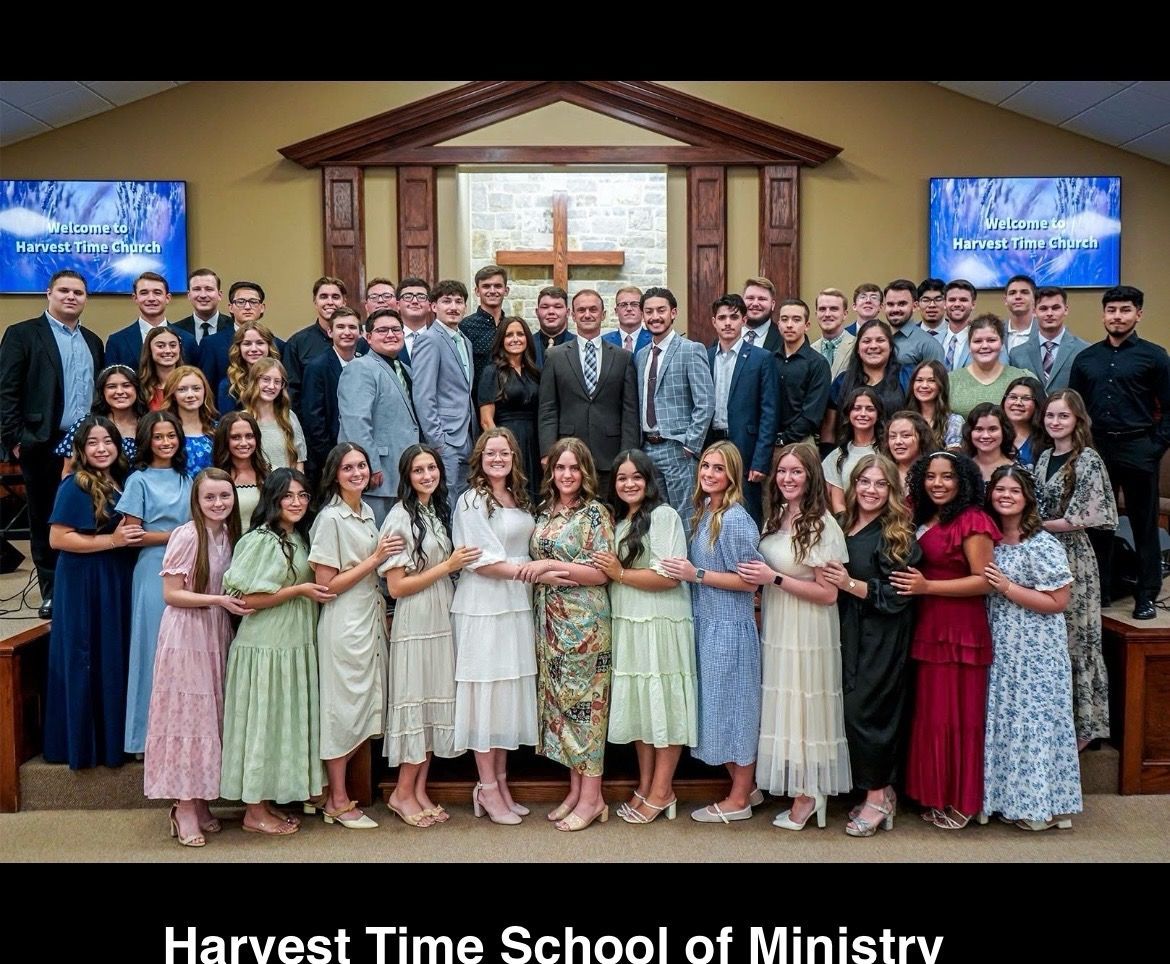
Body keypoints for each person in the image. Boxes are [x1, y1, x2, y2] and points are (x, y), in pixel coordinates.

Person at [738, 443, 851, 831]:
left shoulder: (822, 525)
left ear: (811, 477)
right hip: (778, 622)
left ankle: (810, 792)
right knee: (784, 700)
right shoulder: (777, 515)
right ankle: (799, 787)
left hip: (809, 627)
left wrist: (774, 579)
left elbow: (829, 593)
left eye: (796, 472)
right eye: (783, 471)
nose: (787, 478)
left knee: (805, 703)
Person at [219, 468, 334, 835]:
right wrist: (298, 591)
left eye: (302, 495)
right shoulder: (260, 539)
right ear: (273, 499)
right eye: (288, 496)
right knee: (261, 725)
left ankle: (265, 802)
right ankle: (253, 812)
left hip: (293, 643)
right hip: (266, 646)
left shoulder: (297, 537)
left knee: (277, 725)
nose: (296, 502)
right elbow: (246, 600)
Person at [890, 452, 999, 831]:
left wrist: (928, 587)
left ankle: (963, 800)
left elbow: (985, 581)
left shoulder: (973, 520)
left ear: (963, 481)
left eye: (947, 476)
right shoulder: (921, 517)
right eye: (931, 476)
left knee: (958, 717)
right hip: (926, 625)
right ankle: (937, 792)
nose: (938, 483)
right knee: (933, 715)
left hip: (959, 631)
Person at [143, 468, 250, 847]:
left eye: (225, 496)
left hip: (215, 630)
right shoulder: (187, 535)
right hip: (187, 632)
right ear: (197, 500)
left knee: (209, 717)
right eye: (210, 497)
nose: (218, 503)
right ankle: (183, 807)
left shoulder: (230, 536)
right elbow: (172, 593)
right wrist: (218, 599)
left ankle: (201, 800)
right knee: (187, 717)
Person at [661, 441, 765, 824]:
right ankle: (747, 787)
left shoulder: (736, 520)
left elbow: (750, 581)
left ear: (732, 475)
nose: (708, 473)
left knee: (736, 711)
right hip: (707, 624)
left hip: (730, 629)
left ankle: (738, 800)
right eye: (705, 466)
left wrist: (697, 574)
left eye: (718, 468)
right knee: (717, 710)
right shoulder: (705, 510)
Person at [377, 444, 478, 828]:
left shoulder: (434, 511)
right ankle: (402, 792)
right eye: (419, 470)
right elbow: (397, 586)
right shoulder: (399, 517)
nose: (427, 475)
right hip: (416, 617)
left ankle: (418, 790)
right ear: (407, 476)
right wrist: (449, 566)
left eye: (432, 468)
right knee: (416, 702)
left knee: (434, 703)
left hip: (441, 612)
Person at [451, 429, 549, 824]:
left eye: (504, 452)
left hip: (515, 603)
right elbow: (481, 562)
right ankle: (487, 788)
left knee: (506, 694)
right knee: (486, 695)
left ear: (513, 457)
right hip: (484, 605)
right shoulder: (471, 500)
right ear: (480, 457)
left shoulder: (519, 497)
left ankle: (502, 784)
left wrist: (533, 572)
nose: (498, 458)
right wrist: (537, 573)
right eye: (490, 452)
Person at [594, 449, 697, 824]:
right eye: (622, 478)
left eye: (636, 476)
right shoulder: (620, 521)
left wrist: (620, 574)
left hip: (660, 621)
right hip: (629, 621)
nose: (629, 483)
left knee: (664, 704)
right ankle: (646, 783)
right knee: (642, 705)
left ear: (649, 480)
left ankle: (663, 790)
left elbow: (669, 577)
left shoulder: (664, 516)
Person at [824, 454, 921, 837]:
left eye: (881, 484)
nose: (871, 490)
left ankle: (878, 797)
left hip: (882, 635)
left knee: (867, 713)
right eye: (865, 482)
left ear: (892, 490)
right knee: (848, 711)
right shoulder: (842, 523)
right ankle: (880, 792)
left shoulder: (897, 533)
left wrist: (848, 584)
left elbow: (899, 594)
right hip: (846, 630)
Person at [0, 270, 105, 619]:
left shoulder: (93, 341)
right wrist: (16, 440)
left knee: (85, 514)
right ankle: (52, 591)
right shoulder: (23, 334)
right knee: (46, 516)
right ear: (49, 293)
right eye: (64, 291)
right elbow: (6, 390)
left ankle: (81, 586)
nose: (71, 297)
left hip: (87, 444)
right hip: (42, 442)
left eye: (78, 292)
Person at [981, 465, 1081, 831]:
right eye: (1000, 490)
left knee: (1033, 722)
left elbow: (1058, 601)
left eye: (1014, 491)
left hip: (1035, 648)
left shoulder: (1041, 543)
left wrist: (1008, 587)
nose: (1005, 496)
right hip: (1001, 643)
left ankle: (1041, 807)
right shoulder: (989, 540)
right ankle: (1007, 799)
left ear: (1027, 498)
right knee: (1006, 718)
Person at [307, 444, 399, 829]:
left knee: (362, 707)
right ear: (335, 473)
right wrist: (375, 559)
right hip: (343, 622)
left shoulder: (367, 513)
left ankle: (335, 794)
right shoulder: (330, 519)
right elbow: (325, 585)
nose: (357, 472)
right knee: (341, 710)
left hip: (369, 616)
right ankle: (338, 800)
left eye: (362, 465)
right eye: (348, 467)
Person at [42, 416, 142, 768]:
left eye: (108, 441)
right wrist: (112, 540)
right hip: (85, 580)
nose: (102, 449)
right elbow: (58, 538)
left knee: (112, 652)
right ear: (81, 450)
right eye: (93, 443)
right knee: (88, 651)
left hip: (115, 575)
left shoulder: (122, 481)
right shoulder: (75, 484)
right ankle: (86, 745)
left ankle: (115, 740)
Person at [526, 437, 614, 832]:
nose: (566, 474)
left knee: (588, 710)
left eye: (574, 468)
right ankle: (577, 791)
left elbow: (600, 572)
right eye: (560, 467)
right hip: (550, 624)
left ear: (585, 472)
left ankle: (593, 797)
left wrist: (546, 568)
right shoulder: (544, 511)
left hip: (585, 626)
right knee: (563, 708)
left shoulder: (595, 513)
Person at [1069, 285, 1170, 620]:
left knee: (1144, 526)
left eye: (1125, 310)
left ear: (1138, 314)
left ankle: (1146, 595)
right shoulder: (1086, 359)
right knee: (1098, 525)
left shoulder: (1154, 356)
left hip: (1139, 447)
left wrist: (1155, 447)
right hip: (1097, 449)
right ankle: (1102, 590)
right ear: (1103, 315)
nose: (1117, 316)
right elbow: (1075, 410)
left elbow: (1169, 408)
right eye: (1112, 310)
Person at [1035, 389, 1117, 748]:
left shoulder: (1087, 459)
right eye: (1050, 415)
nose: (1055, 422)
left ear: (1077, 420)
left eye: (1063, 416)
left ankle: (1083, 730)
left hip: (1072, 557)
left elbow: (1083, 516)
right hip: (1043, 555)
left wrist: (1035, 525)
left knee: (1076, 637)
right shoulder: (1043, 457)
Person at [118, 411, 193, 756]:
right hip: (153, 568)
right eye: (158, 437)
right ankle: (144, 739)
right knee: (153, 649)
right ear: (147, 441)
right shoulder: (138, 480)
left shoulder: (186, 478)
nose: (165, 442)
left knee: (183, 651)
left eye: (171, 436)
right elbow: (132, 534)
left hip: (187, 567)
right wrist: (178, 535)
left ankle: (180, 733)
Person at [538, 289, 640, 494]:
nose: (587, 314)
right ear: (573, 315)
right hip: (568, 456)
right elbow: (548, 409)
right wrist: (548, 452)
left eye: (593, 309)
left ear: (603, 314)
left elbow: (630, 411)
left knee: (609, 511)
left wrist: (628, 455)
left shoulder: (622, 357)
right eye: (581, 310)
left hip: (610, 456)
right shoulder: (555, 356)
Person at [635, 286, 714, 536]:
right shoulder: (641, 355)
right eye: (649, 311)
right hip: (647, 449)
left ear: (673, 313)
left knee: (686, 518)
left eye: (661, 310)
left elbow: (705, 402)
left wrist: (691, 445)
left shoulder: (691, 350)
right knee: (657, 519)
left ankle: (689, 564)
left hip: (678, 449)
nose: (655, 317)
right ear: (642, 315)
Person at [337, 309, 420, 526]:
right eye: (382, 330)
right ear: (368, 337)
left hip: (403, 473)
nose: (390, 334)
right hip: (379, 476)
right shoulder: (360, 368)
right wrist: (369, 465)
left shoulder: (405, 369)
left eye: (396, 330)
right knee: (377, 538)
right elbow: (356, 423)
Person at [705, 293, 779, 527]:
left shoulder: (761, 358)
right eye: (722, 318)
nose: (728, 323)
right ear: (714, 321)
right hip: (711, 442)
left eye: (734, 317)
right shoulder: (704, 356)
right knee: (712, 508)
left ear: (744, 321)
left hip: (745, 447)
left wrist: (761, 460)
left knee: (747, 509)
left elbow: (769, 413)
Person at [413, 280, 477, 502]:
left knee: (465, 501)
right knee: (446, 499)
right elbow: (423, 395)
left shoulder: (465, 341)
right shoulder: (429, 340)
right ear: (433, 306)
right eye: (446, 301)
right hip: (445, 439)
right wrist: (438, 441)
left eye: (459, 301)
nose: (453, 307)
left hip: (467, 435)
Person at [478, 318, 542, 502]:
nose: (515, 339)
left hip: (534, 442)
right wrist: (502, 451)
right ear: (501, 340)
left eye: (520, 334)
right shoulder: (492, 372)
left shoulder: (534, 372)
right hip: (507, 440)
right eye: (509, 335)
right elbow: (486, 420)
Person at [301, 306, 365, 487]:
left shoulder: (366, 364)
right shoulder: (317, 366)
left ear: (360, 333)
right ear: (330, 332)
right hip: (330, 456)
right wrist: (331, 458)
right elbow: (314, 418)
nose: (347, 332)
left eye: (352, 327)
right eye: (341, 327)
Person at [824, 320, 906, 445]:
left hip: (896, 451)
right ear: (857, 348)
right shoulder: (842, 381)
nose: (873, 346)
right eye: (866, 341)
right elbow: (829, 429)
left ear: (890, 347)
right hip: (849, 452)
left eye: (880, 340)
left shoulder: (905, 376)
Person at [55, 364, 146, 476]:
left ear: (136, 389)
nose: (119, 391)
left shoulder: (149, 424)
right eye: (112, 386)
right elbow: (68, 471)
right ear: (102, 392)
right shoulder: (84, 425)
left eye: (126, 385)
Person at [283, 275, 349, 414]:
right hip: (311, 422)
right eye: (323, 297)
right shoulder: (297, 344)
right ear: (315, 302)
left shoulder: (358, 343)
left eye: (335, 297)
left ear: (344, 301)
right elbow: (291, 393)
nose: (330, 302)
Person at [104, 271, 196, 369]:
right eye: (144, 293)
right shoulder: (117, 342)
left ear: (167, 298)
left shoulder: (187, 340)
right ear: (135, 298)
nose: (151, 298)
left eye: (157, 293)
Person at [774, 298, 832, 453]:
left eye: (796, 319)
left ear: (807, 325)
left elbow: (812, 414)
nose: (789, 325)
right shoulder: (769, 360)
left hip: (802, 442)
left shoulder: (818, 363)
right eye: (784, 319)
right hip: (769, 441)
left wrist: (784, 439)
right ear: (778, 324)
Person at [1008, 285, 1089, 392]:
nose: (1049, 313)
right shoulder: (1017, 354)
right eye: (1043, 309)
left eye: (1055, 308)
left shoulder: (1083, 350)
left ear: (1066, 310)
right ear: (1034, 312)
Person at [947, 314, 1029, 418]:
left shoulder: (1022, 378)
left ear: (1002, 344)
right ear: (969, 346)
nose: (985, 346)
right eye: (977, 341)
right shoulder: (950, 381)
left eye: (991, 340)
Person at [239, 358, 306, 473]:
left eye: (277, 382)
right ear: (254, 381)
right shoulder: (242, 420)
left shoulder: (289, 417)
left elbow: (299, 461)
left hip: (287, 482)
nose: (271, 386)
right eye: (266, 380)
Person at [823, 387, 882, 513]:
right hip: (846, 521)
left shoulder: (887, 450)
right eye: (857, 408)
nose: (863, 414)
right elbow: (838, 503)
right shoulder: (837, 456)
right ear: (848, 414)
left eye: (870, 409)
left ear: (878, 415)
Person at [460, 265, 509, 399]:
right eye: (486, 286)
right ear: (477, 291)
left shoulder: (512, 327)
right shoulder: (465, 327)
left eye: (498, 286)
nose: (492, 291)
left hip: (511, 400)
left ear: (506, 290)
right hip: (478, 400)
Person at [213, 412, 268, 527]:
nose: (244, 443)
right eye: (236, 437)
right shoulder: (212, 478)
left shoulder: (272, 473)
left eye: (249, 436)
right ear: (224, 440)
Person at [217, 321, 281, 416]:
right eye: (247, 344)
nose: (254, 349)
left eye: (260, 343)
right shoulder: (228, 386)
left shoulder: (280, 380)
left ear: (269, 346)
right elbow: (228, 421)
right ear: (239, 348)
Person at [162, 366, 217, 473]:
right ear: (173, 395)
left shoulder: (217, 429)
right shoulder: (164, 430)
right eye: (182, 389)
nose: (190, 395)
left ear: (205, 391)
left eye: (196, 388)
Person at [883, 279, 944, 367]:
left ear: (915, 306)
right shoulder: (876, 340)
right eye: (890, 304)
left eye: (902, 304)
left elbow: (936, 376)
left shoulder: (929, 345)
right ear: (884, 307)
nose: (895, 309)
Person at [906, 360, 963, 448]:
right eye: (919, 380)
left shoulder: (953, 422)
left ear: (941, 385)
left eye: (931, 380)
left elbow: (953, 455)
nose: (924, 385)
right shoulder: (903, 419)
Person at [172, 267, 232, 352]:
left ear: (220, 295)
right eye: (197, 289)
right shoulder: (175, 330)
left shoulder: (233, 327)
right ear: (189, 295)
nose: (203, 295)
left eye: (209, 289)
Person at [960, 403, 1016, 483]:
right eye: (979, 429)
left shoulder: (1019, 472)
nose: (985, 436)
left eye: (992, 429)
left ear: (1004, 431)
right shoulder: (959, 469)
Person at [1000, 375, 1046, 469]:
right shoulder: (992, 434)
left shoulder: (1047, 439)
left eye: (1026, 398)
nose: (1018, 403)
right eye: (1013, 397)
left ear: (1037, 403)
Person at [882, 410, 934, 493]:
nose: (898, 441)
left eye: (906, 435)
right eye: (892, 436)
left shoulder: (934, 474)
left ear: (922, 438)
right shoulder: (882, 473)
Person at [811, 288, 855, 381]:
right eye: (822, 309)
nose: (827, 314)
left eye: (833, 309)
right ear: (816, 314)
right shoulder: (810, 350)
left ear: (845, 314)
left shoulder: (857, 347)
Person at [531, 285, 576, 370]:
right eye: (545, 307)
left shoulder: (579, 346)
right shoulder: (526, 345)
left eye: (557, 307)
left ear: (567, 312)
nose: (551, 312)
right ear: (537, 312)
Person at [138, 325, 182, 411]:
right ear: (149, 350)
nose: (168, 351)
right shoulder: (140, 386)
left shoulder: (190, 382)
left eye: (173, 345)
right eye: (160, 346)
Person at [604, 286, 651, 354]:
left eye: (634, 304)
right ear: (616, 311)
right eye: (623, 305)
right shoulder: (604, 342)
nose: (629, 309)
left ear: (642, 310)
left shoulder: (654, 339)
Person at [742, 276, 781, 352]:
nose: (755, 303)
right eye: (750, 298)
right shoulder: (726, 336)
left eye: (762, 299)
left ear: (772, 305)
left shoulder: (784, 338)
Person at [1001, 274, 1037, 353]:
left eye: (1024, 292)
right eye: (1012, 293)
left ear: (1034, 298)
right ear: (1005, 300)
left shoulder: (1045, 332)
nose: (1018, 296)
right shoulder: (995, 330)